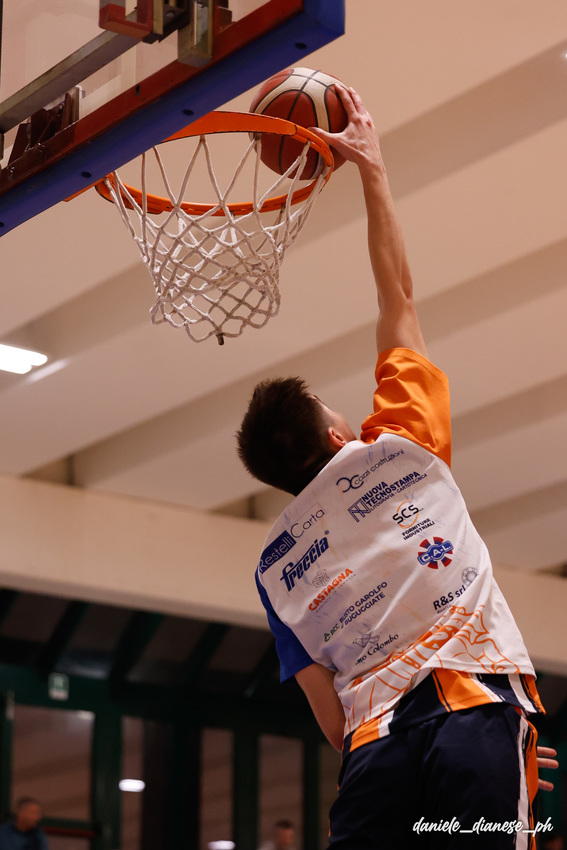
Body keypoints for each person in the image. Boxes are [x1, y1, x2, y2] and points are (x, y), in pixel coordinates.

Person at [237, 86, 558, 848]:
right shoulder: (400, 446)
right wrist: (372, 170)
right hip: (472, 704)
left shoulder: (275, 567)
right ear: (336, 431)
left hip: (375, 753)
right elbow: (398, 296)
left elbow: (329, 716)